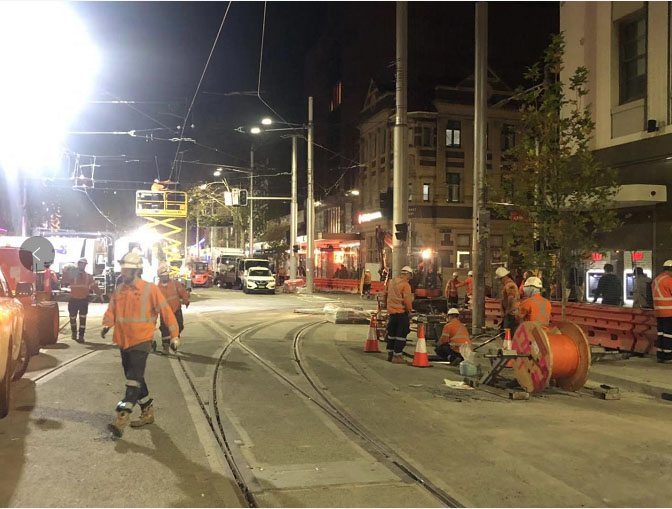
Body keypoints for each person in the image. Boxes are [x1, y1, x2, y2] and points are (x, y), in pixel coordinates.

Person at [101, 252, 179, 437]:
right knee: (134, 377)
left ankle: (121, 418)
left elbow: (166, 312)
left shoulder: (150, 289)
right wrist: (107, 324)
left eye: (126, 269)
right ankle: (147, 410)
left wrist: (174, 335)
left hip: (141, 341)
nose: (122, 271)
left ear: (135, 270)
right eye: (122, 268)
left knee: (133, 380)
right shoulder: (120, 289)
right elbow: (112, 309)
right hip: (123, 340)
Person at [62, 257, 102, 342]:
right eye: (80, 264)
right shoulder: (72, 275)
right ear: (78, 264)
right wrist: (65, 271)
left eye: (83, 264)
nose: (82, 266)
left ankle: (81, 336)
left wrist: (100, 295)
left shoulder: (88, 276)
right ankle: (74, 333)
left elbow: (94, 286)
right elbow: (64, 281)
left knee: (82, 318)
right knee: (72, 317)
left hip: (83, 300)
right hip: (74, 299)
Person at [156, 263, 190, 355]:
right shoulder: (157, 288)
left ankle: (173, 341)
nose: (166, 277)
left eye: (167, 275)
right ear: (159, 276)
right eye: (164, 275)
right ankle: (166, 348)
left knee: (179, 326)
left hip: (176, 310)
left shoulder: (175, 284)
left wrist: (186, 300)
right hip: (165, 313)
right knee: (165, 329)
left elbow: (183, 292)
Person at [383, 266, 414, 364]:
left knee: (392, 334)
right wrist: (410, 311)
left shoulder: (391, 282)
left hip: (392, 313)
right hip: (401, 313)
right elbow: (407, 301)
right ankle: (397, 356)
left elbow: (385, 295)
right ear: (408, 274)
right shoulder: (406, 285)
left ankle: (390, 354)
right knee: (401, 335)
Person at [652, 260, 672, 363]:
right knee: (669, 335)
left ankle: (661, 355)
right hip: (669, 312)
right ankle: (668, 356)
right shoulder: (669, 280)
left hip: (659, 312)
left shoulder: (656, 279)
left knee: (661, 334)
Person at [496, 266, 520, 335]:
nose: (500, 281)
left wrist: (508, 310)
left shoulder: (510, 285)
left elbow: (511, 298)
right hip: (511, 313)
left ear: (503, 277)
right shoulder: (509, 285)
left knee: (507, 333)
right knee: (507, 332)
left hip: (511, 314)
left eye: (500, 279)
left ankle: (508, 345)